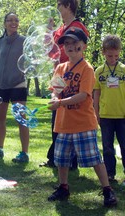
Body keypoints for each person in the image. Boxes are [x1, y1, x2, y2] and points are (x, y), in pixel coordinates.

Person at [47, 27, 117, 207]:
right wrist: (55, 99)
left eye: (74, 43)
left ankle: (107, 190)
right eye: (66, 44)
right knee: (61, 159)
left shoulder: (87, 68)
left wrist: (60, 103)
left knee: (94, 158)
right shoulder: (60, 68)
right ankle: (63, 187)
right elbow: (55, 91)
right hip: (63, 123)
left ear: (83, 46)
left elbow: (83, 95)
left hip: (83, 123)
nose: (69, 46)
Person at [40, 0, 89, 169]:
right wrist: (48, 31)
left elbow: (81, 50)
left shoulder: (77, 27)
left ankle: (70, 160)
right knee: (57, 115)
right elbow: (50, 51)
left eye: (59, 5)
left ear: (67, 6)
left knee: (70, 115)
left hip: (72, 74)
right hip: (59, 73)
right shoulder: (60, 29)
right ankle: (57, 157)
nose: (57, 9)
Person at [0, 12, 29, 163]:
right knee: (0, 119)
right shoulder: (0, 42)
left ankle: (24, 153)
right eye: (10, 20)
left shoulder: (25, 41)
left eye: (16, 20)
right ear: (4, 23)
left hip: (18, 84)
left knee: (21, 119)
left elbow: (31, 59)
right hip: (1, 85)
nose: (13, 22)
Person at [93, 34, 125, 185]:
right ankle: (110, 174)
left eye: (116, 55)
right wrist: (96, 113)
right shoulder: (99, 72)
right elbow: (96, 93)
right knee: (107, 147)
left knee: (124, 145)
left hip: (122, 115)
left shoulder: (124, 70)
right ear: (103, 52)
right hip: (105, 116)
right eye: (110, 55)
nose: (113, 59)